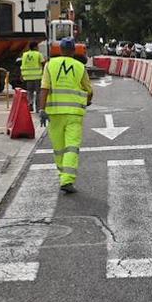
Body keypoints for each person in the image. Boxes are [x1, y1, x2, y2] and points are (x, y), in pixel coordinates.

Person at [39, 38, 93, 194]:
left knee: (58, 148)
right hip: (74, 114)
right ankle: (67, 179)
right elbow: (89, 91)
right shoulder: (80, 67)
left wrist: (42, 109)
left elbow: (44, 89)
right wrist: (87, 102)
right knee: (72, 146)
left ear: (59, 50)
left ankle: (63, 175)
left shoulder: (50, 65)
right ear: (74, 51)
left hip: (54, 113)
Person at [18, 41, 45, 112]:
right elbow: (43, 63)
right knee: (38, 92)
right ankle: (38, 107)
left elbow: (22, 65)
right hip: (37, 76)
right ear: (35, 47)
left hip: (28, 77)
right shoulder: (38, 54)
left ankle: (30, 103)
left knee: (30, 91)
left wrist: (22, 75)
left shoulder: (25, 55)